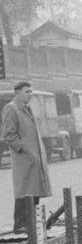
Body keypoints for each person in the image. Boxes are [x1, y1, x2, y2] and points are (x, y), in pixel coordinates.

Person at [1, 82, 51, 235]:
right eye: (27, 91)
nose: (31, 94)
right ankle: (21, 225)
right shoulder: (11, 109)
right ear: (18, 92)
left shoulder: (27, 108)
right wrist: (24, 149)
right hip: (24, 159)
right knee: (24, 191)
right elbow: (9, 134)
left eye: (31, 91)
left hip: (34, 158)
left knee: (34, 190)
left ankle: (31, 223)